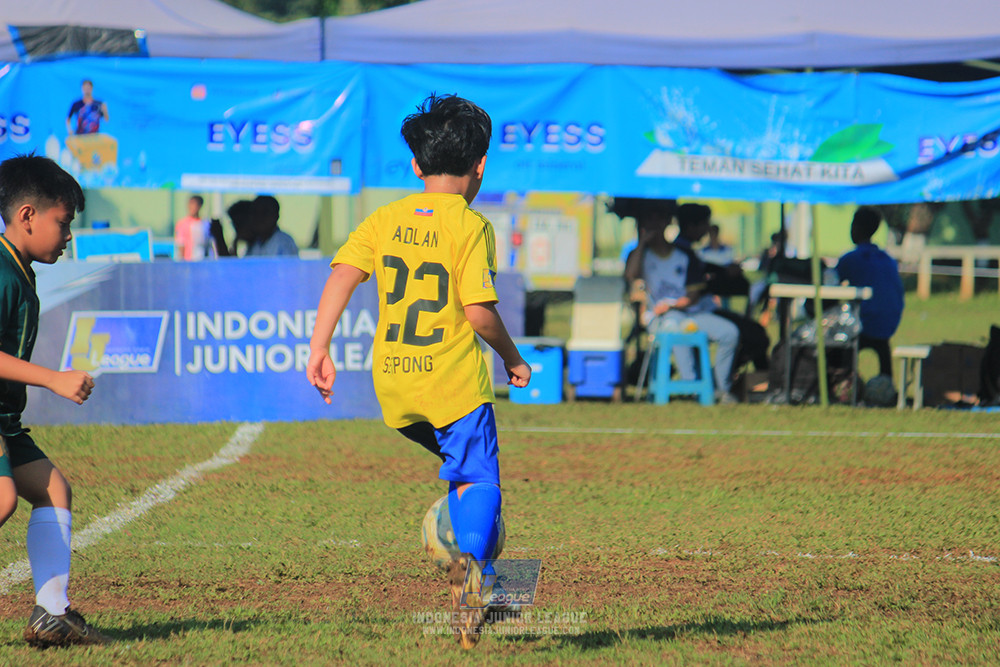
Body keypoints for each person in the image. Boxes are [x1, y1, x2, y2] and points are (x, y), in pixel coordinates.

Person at [306, 94, 530, 649]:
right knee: (480, 479)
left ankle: (494, 580)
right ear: (480, 165)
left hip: (396, 385)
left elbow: (341, 275)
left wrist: (319, 347)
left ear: (416, 165)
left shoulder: (385, 217)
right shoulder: (472, 225)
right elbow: (478, 311)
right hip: (452, 384)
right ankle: (475, 573)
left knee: (463, 473)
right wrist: (512, 357)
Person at [0, 155, 108, 647]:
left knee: (52, 490)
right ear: (27, 215)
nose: (68, 236)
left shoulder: (20, 269)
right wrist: (52, 379)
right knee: (3, 499)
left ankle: (51, 613)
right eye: (62, 223)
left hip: (4, 420)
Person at [621, 198, 741, 404]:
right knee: (674, 325)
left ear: (668, 222)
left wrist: (673, 304)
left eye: (659, 220)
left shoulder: (686, 255)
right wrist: (641, 243)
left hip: (689, 313)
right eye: (650, 220)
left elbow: (693, 296)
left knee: (730, 333)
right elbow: (630, 277)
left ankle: (721, 388)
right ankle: (692, 387)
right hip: (658, 318)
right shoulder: (639, 254)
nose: (654, 225)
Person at [835, 206, 905, 379]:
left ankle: (842, 382)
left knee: (830, 336)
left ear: (856, 227)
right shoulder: (887, 259)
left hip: (865, 323)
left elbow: (830, 287)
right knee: (880, 346)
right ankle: (885, 379)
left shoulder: (851, 258)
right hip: (890, 322)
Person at [174, 195, 212, 261]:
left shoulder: (205, 223)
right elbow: (181, 244)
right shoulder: (182, 224)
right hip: (189, 261)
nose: (191, 207)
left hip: (202, 261)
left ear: (200, 206)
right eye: (190, 204)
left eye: (194, 204)